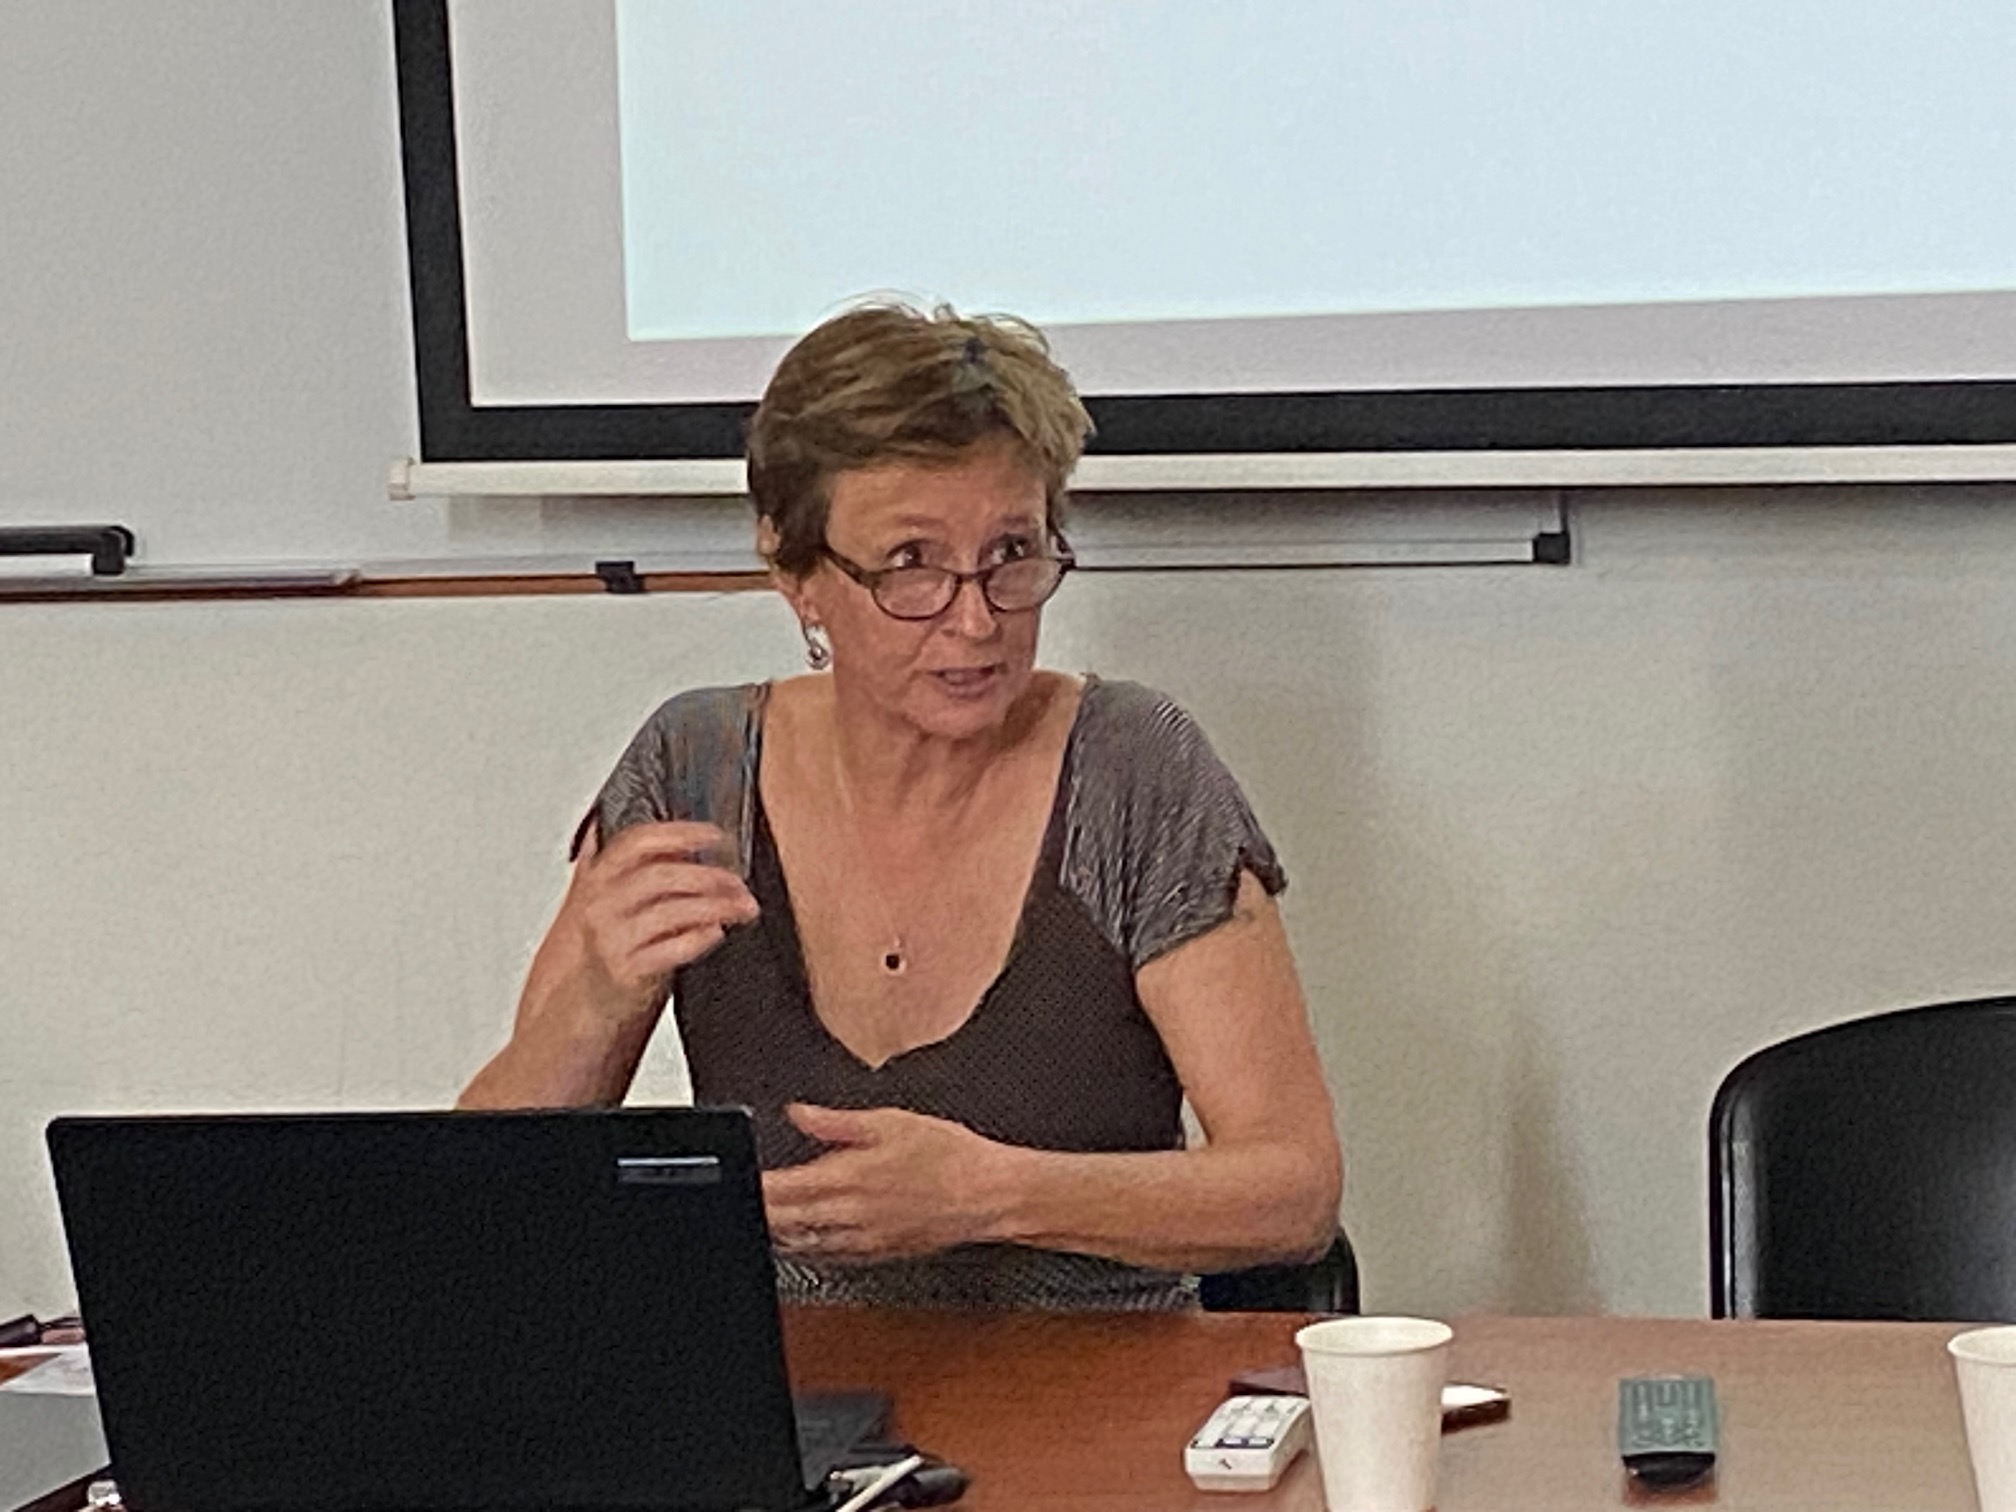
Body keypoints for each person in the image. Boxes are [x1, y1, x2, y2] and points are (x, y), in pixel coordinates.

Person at [461, 302, 1342, 1309]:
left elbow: (1293, 1193)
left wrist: (994, 1196)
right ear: (797, 574)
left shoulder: (1133, 768)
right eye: (911, 565)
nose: (975, 621)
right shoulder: (694, 769)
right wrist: (597, 1004)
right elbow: (478, 1193)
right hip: (784, 1379)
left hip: (1100, 1377)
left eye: (1011, 554)